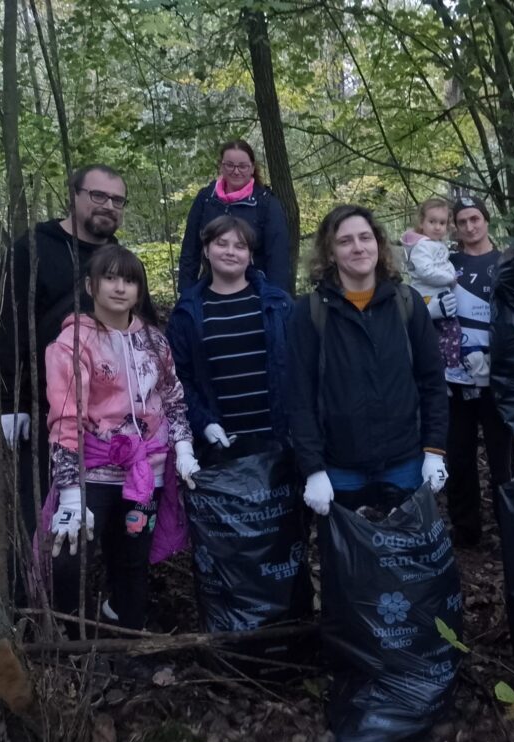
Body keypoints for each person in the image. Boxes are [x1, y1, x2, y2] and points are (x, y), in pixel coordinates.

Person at [43, 246, 199, 631]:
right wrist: (71, 491)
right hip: (92, 472)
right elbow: (65, 417)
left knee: (132, 557)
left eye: (129, 280)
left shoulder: (155, 342)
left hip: (148, 472)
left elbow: (174, 398)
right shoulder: (72, 342)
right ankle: (70, 634)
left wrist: (183, 447)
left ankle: (127, 628)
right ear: (90, 285)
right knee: (70, 557)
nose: (120, 288)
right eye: (110, 278)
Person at [0, 164, 158, 535]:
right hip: (48, 408)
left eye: (117, 200)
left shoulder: (121, 260)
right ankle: (33, 593)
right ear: (74, 195)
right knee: (41, 513)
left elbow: (145, 331)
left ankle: (106, 591)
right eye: (98, 196)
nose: (108, 206)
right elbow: (9, 324)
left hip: (114, 418)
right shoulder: (32, 248)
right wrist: (12, 401)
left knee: (111, 524)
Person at [288, 204, 448, 514]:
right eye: (345, 241)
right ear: (330, 253)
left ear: (378, 244)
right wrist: (313, 468)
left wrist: (434, 450)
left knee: (407, 559)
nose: (358, 247)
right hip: (339, 470)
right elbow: (300, 397)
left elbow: (431, 383)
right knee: (350, 562)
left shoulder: (407, 303)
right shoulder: (310, 313)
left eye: (365, 237)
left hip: (406, 463)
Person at [167, 216, 293, 451]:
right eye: (221, 243)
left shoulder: (278, 304)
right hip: (221, 449)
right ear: (206, 249)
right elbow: (178, 378)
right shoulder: (186, 313)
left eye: (240, 246)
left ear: (250, 255)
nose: (230, 252)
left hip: (281, 443)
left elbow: (301, 367)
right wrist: (204, 423)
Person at [434, 196, 514, 547]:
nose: (469, 227)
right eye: (462, 221)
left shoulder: (507, 262)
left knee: (503, 458)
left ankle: (510, 525)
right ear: (455, 226)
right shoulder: (445, 264)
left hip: (496, 378)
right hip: (454, 377)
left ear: (486, 220)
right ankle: (465, 530)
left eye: (475, 219)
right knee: (459, 454)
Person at [178, 140, 290, 293]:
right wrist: (186, 295)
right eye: (230, 165)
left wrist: (277, 300)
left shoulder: (266, 203)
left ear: (252, 168)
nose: (236, 171)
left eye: (242, 166)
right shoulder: (206, 198)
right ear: (221, 166)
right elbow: (190, 251)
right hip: (210, 288)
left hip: (256, 291)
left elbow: (278, 258)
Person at [401, 197, 470, 381]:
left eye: (442, 223)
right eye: (432, 222)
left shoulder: (435, 245)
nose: (437, 227)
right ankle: (451, 368)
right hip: (430, 299)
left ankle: (442, 370)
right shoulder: (422, 246)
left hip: (438, 298)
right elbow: (426, 271)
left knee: (441, 336)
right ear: (422, 222)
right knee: (452, 331)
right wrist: (451, 278)